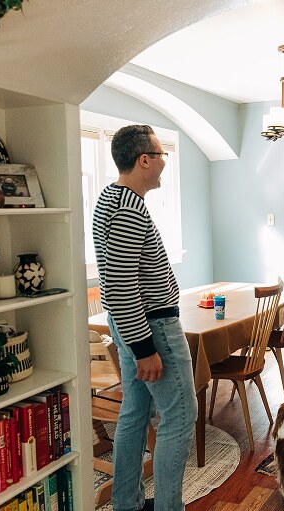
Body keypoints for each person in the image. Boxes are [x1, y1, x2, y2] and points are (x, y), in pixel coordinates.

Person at [92, 125, 196, 511]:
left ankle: (128, 505)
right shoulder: (128, 209)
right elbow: (121, 288)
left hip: (133, 326)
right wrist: (144, 349)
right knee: (180, 417)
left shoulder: (111, 198)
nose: (165, 161)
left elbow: (117, 284)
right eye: (161, 153)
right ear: (144, 160)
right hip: (152, 327)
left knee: (134, 414)